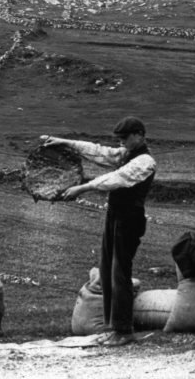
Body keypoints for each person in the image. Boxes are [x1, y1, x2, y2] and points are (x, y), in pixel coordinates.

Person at [42, 116, 156, 347]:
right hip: (115, 217)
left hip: (129, 220)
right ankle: (112, 327)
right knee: (106, 271)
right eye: (119, 139)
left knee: (119, 274)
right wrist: (63, 142)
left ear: (139, 135)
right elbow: (98, 152)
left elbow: (116, 179)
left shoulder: (145, 161)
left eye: (125, 138)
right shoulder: (126, 154)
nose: (121, 142)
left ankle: (123, 331)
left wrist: (83, 188)